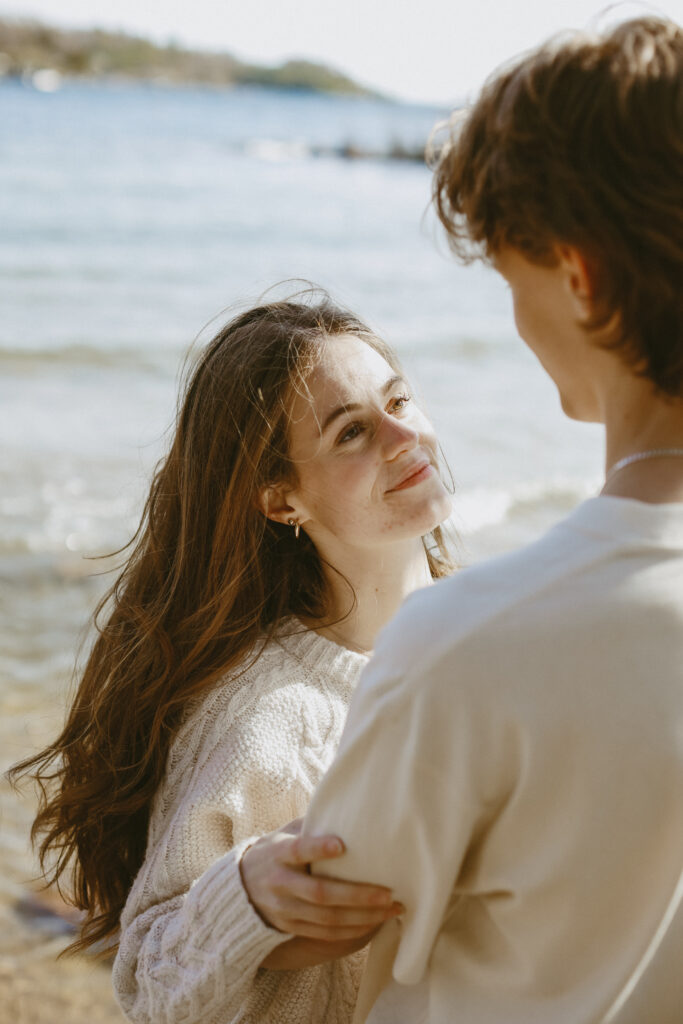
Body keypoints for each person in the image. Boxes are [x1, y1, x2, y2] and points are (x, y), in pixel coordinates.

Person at [304, 16, 683, 1024]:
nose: (512, 319)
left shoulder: (464, 647)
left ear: (577, 271)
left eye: (510, 275)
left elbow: (324, 960)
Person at [9, 292, 454, 1023]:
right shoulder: (267, 719)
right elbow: (149, 985)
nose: (402, 435)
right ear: (281, 499)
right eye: (350, 432)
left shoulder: (491, 635)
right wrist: (244, 901)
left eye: (398, 399)